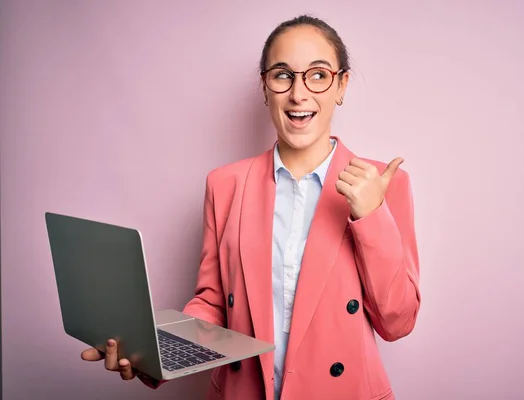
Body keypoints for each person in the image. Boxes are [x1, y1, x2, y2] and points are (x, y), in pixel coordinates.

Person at [81, 14, 421, 400]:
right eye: (282, 75)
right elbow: (212, 305)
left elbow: (398, 322)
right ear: (265, 86)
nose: (299, 94)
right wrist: (151, 352)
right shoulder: (225, 184)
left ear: (341, 85)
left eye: (318, 74)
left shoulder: (381, 184)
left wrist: (371, 215)